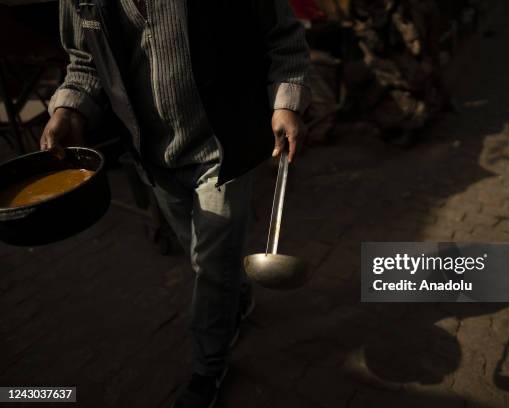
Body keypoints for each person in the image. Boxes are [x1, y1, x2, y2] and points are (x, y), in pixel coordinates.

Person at [40, 1, 310, 407]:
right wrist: (67, 108)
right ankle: (236, 299)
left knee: (210, 268)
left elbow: (283, 37)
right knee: (203, 257)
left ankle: (208, 367)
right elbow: (84, 62)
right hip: (153, 156)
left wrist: (287, 102)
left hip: (224, 149)